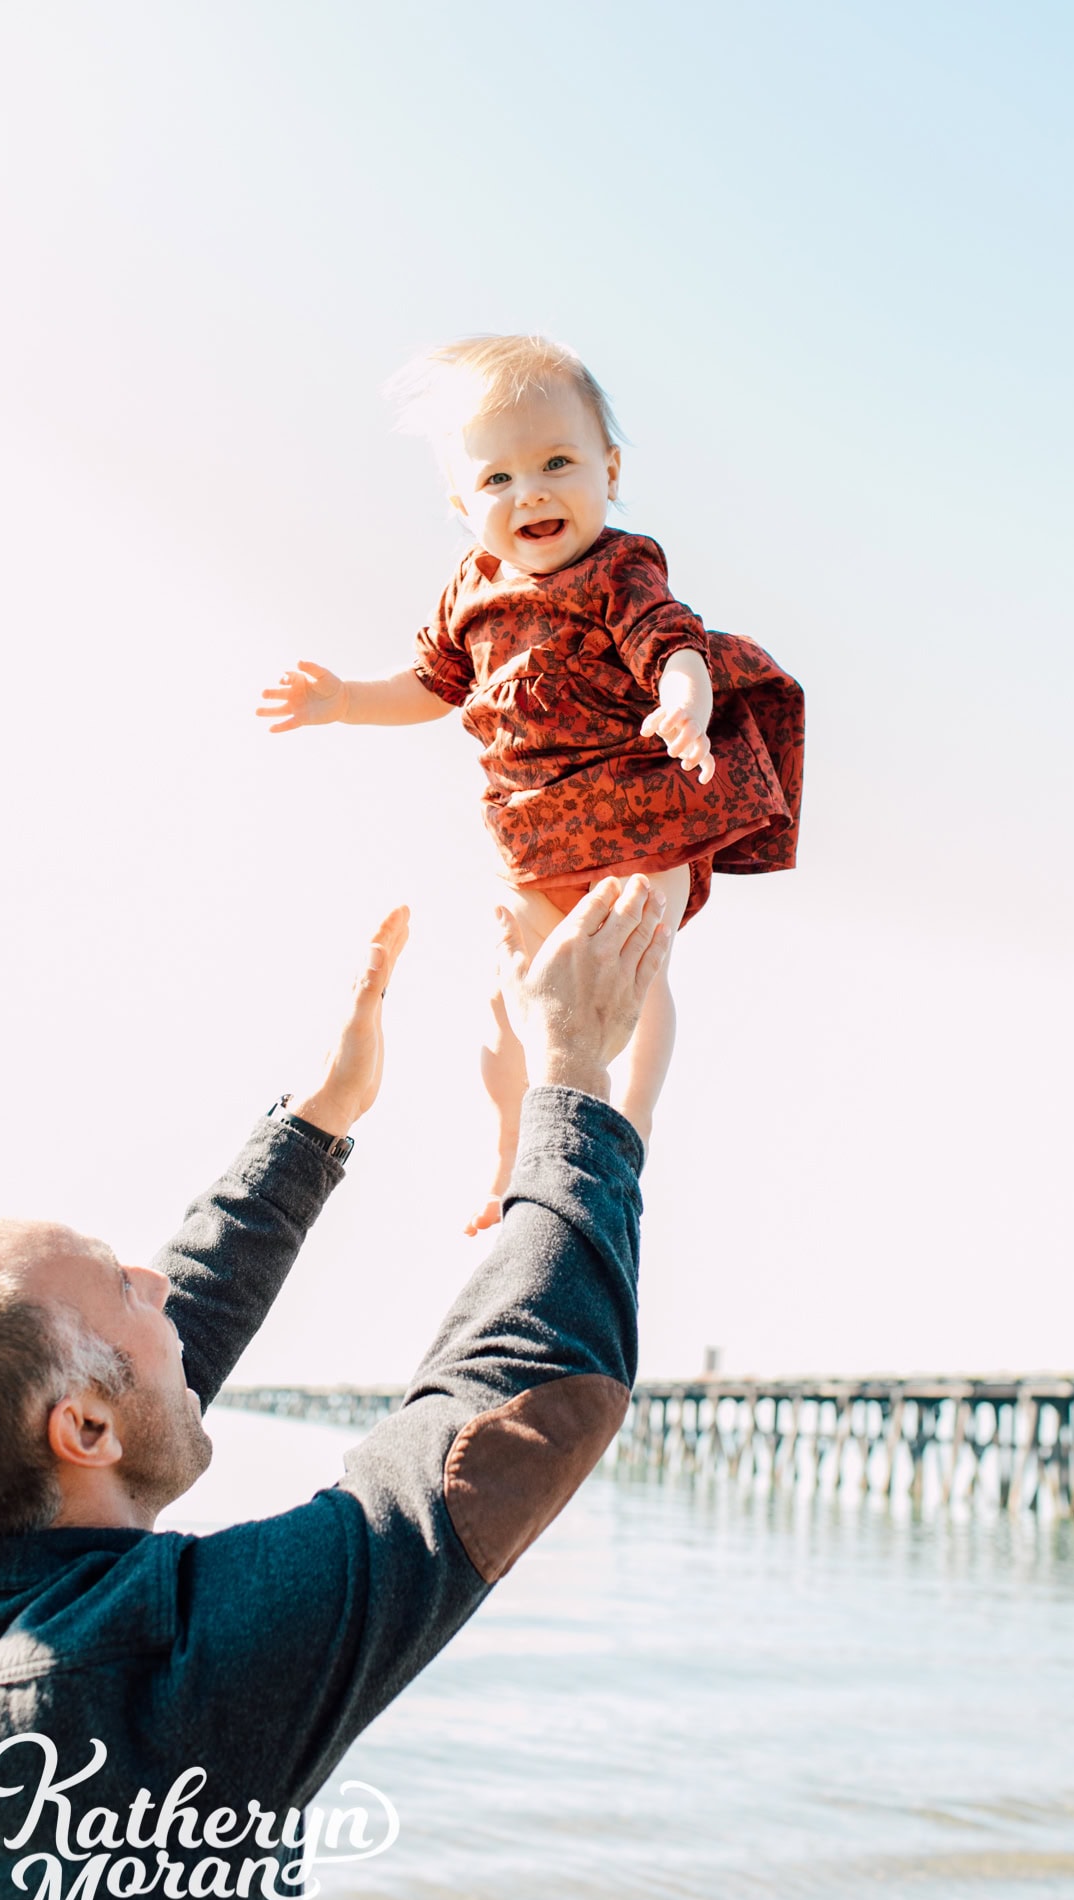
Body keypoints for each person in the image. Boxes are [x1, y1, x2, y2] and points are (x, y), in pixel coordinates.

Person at [0, 878, 671, 1900]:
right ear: (83, 1435)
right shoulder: (177, 1674)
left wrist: (316, 1121)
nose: (159, 1282)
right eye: (125, 1283)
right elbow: (519, 1402)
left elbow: (128, 1380)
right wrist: (573, 1079)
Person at [258, 332, 805, 1234]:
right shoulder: (465, 594)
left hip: (646, 810)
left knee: (635, 961)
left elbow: (673, 643)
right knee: (509, 1006)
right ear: (459, 502)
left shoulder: (618, 570)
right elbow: (428, 686)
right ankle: (512, 1151)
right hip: (535, 835)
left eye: (557, 462)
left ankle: (628, 1122)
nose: (531, 491)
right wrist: (344, 699)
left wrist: (682, 699)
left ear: (610, 469)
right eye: (498, 478)